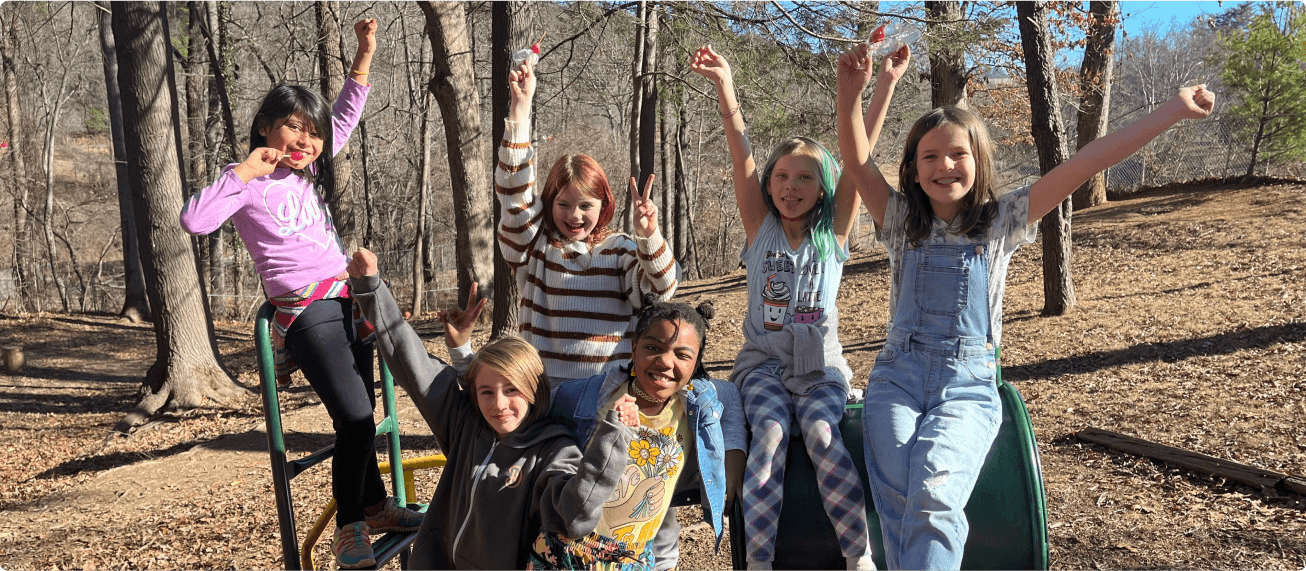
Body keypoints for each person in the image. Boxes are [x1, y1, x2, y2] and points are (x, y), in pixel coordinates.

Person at [835, 42, 1215, 570]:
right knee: (898, 494)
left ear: (978, 161)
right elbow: (855, 160)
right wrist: (851, 93)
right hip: (895, 378)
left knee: (935, 491)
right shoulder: (901, 221)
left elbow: (1087, 161)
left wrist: (1172, 110)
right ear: (914, 170)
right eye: (930, 156)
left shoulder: (1003, 220)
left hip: (965, 384)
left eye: (958, 154)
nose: (945, 165)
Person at [178, 19, 423, 569]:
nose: (305, 140)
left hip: (348, 302)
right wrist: (242, 170)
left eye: (310, 133)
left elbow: (342, 120)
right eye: (292, 127)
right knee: (356, 419)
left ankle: (376, 506)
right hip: (305, 310)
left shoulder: (308, 169)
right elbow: (194, 221)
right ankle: (349, 528)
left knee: (366, 412)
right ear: (266, 127)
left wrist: (364, 55)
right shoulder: (244, 183)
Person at [690, 45, 875, 571]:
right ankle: (759, 562)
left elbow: (863, 156)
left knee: (821, 436)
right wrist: (726, 86)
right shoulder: (761, 228)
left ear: (824, 190)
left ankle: (859, 558)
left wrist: (868, 91)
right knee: (767, 437)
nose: (791, 186)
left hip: (820, 370)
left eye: (805, 178)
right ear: (769, 184)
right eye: (782, 177)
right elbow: (739, 152)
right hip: (764, 367)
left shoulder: (834, 234)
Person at [346, 248, 641, 570]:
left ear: (533, 390)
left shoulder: (554, 451)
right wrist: (373, 289)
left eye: (512, 389)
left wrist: (610, 443)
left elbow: (573, 518)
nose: (498, 404)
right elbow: (410, 360)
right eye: (486, 391)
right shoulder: (465, 425)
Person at [496, 55, 679, 388]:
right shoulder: (535, 246)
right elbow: (514, 194)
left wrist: (649, 234)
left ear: (605, 203)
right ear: (548, 203)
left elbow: (662, 288)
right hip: (543, 396)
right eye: (563, 204)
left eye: (585, 205)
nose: (574, 215)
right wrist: (519, 110)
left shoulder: (620, 249)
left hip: (606, 398)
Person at [549, 296, 748, 571]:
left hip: (635, 560)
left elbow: (732, 397)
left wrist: (734, 455)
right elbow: (519, 408)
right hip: (565, 553)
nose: (666, 362)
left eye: (682, 355)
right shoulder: (585, 397)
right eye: (653, 347)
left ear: (697, 362)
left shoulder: (696, 404)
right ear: (634, 348)